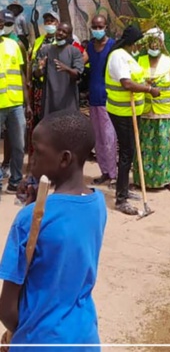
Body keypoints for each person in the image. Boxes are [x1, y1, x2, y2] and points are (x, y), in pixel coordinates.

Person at [0, 110, 107, 348]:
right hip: (84, 336)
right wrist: (35, 204)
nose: (33, 158)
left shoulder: (27, 220)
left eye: (38, 151)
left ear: (64, 159)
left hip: (40, 340)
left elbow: (6, 309)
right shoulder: (97, 204)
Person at [105, 25, 161, 215]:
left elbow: (133, 78)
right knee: (127, 153)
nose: (140, 47)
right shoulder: (118, 56)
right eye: (139, 43)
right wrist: (148, 90)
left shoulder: (127, 56)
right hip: (122, 112)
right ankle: (121, 199)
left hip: (132, 111)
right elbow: (126, 83)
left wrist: (145, 83)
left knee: (130, 152)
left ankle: (125, 190)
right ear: (133, 43)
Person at [134, 29, 170, 193]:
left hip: (165, 111)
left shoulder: (169, 61)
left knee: (164, 146)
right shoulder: (139, 60)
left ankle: (166, 179)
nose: (153, 44)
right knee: (144, 147)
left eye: (157, 41)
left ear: (162, 43)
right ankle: (141, 180)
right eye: (150, 41)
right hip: (144, 110)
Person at [0, 9, 31, 195]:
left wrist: (27, 103)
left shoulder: (13, 45)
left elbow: (21, 75)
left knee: (19, 145)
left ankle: (15, 181)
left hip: (16, 104)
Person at [86, 15, 118, 185]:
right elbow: (81, 63)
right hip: (94, 97)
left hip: (108, 97)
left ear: (106, 26)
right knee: (97, 138)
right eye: (94, 26)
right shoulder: (90, 46)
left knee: (109, 137)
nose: (97, 30)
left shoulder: (113, 46)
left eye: (100, 26)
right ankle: (104, 171)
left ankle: (113, 174)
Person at [32, 22, 84, 117]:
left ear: (69, 35)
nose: (60, 33)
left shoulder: (74, 51)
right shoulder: (45, 50)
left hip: (68, 99)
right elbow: (36, 74)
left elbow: (78, 74)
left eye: (64, 32)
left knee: (68, 127)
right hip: (50, 99)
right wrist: (40, 68)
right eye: (59, 30)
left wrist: (67, 69)